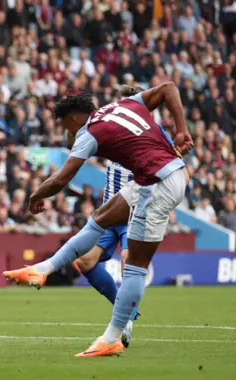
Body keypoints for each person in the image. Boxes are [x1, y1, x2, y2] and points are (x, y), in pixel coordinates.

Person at [3, 82, 193, 357]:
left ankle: (113, 336)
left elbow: (61, 180)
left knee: (135, 265)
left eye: (67, 128)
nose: (69, 133)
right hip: (149, 181)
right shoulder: (122, 106)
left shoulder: (89, 132)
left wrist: (35, 195)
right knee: (100, 217)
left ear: (72, 118)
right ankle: (43, 270)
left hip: (159, 185)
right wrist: (182, 129)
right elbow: (169, 88)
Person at [69, 85, 184, 348]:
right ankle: (128, 312)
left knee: (126, 260)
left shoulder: (153, 134)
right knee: (84, 262)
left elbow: (169, 169)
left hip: (135, 210)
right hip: (110, 212)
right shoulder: (108, 128)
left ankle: (124, 324)